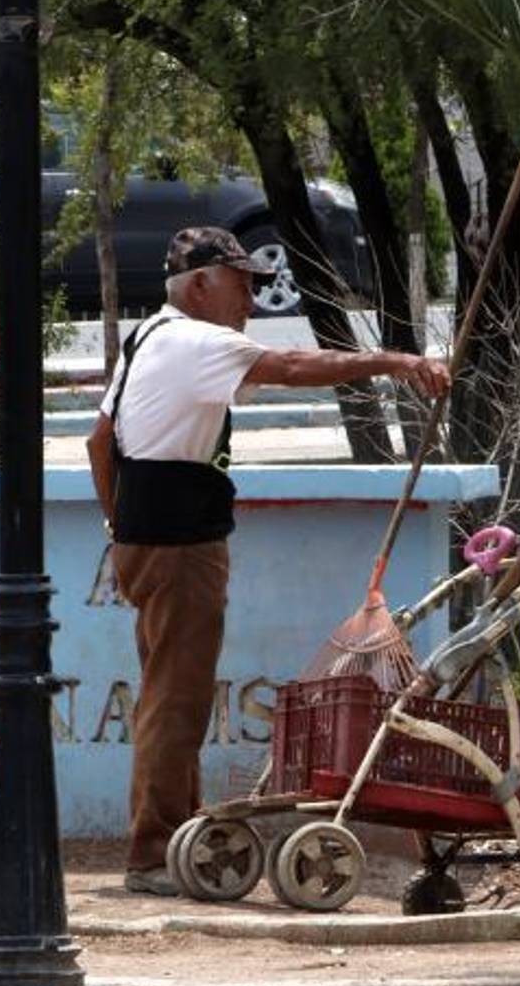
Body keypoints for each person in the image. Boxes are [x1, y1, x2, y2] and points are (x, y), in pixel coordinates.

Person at [86, 226, 450, 896]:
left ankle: (177, 836)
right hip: (180, 542)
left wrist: (120, 525)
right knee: (178, 699)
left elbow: (98, 441)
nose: (249, 300)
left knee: (167, 691)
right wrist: (398, 362)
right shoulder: (198, 341)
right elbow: (293, 368)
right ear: (199, 284)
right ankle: (153, 849)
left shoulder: (147, 338)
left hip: (145, 537)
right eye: (240, 283)